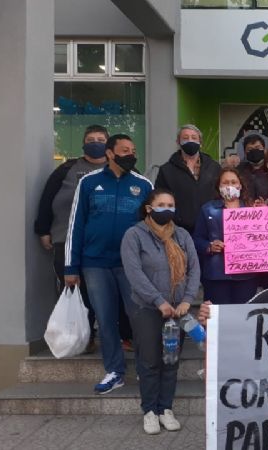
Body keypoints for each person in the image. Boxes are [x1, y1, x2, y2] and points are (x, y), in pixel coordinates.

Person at [65, 133, 153, 394]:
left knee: (139, 316)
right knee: (105, 318)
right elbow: (75, 224)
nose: (131, 154)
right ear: (110, 153)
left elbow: (152, 227)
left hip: (132, 265)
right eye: (125, 150)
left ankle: (146, 367)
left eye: (133, 150)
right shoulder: (89, 183)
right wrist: (71, 266)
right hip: (95, 263)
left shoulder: (143, 184)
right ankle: (115, 370)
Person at [120, 189, 200, 435]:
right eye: (161, 204)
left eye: (171, 205)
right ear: (149, 208)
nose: (167, 209)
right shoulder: (134, 235)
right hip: (147, 309)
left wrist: (188, 299)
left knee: (171, 361)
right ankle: (150, 411)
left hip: (178, 311)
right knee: (149, 361)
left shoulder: (182, 235)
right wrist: (158, 301)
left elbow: (194, 269)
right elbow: (134, 273)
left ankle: (166, 408)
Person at [34, 124, 108, 353]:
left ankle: (103, 335)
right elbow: (47, 199)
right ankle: (77, 337)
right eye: (91, 138)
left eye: (100, 139)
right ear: (83, 143)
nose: (95, 142)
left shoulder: (115, 170)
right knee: (73, 289)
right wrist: (43, 230)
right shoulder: (66, 169)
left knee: (99, 291)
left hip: (100, 243)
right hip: (65, 239)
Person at [192, 168, 258, 304]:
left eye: (233, 182)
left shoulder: (252, 209)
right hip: (216, 275)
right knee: (217, 317)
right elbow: (196, 239)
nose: (230, 186)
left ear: (240, 185)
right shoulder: (207, 209)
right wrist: (209, 246)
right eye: (225, 182)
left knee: (243, 317)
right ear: (219, 186)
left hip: (246, 276)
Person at [154, 124, 221, 234]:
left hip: (211, 229)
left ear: (201, 142)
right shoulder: (166, 170)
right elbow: (159, 199)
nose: (190, 141)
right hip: (178, 231)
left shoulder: (214, 167)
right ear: (178, 142)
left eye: (194, 138)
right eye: (185, 138)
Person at [236, 134, 268, 202]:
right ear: (245, 153)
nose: (254, 151)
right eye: (250, 149)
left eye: (258, 147)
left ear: (265, 150)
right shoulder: (238, 171)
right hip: (245, 210)